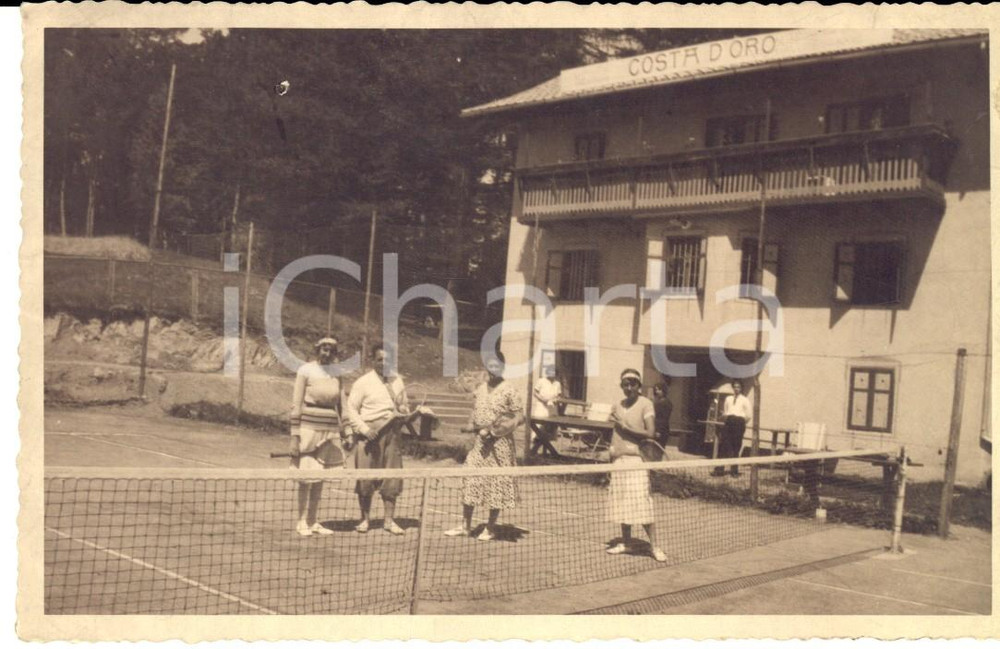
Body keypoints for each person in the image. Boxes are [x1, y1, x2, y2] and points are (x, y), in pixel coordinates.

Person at [444, 352, 523, 541]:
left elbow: (519, 416)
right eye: (491, 366)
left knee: (496, 482)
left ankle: (490, 527)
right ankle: (465, 526)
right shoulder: (480, 389)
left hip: (500, 445)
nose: (493, 370)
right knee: (471, 478)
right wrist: (471, 425)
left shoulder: (510, 390)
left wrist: (497, 430)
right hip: (479, 444)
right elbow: (475, 410)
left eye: (497, 366)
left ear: (503, 367)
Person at [343, 344, 409, 535]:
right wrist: (364, 430)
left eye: (388, 359)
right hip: (369, 436)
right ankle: (365, 520)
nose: (384, 363)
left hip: (393, 435)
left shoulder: (398, 381)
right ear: (373, 360)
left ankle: (389, 521)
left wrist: (404, 411)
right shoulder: (362, 382)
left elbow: (404, 406)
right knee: (366, 479)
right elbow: (351, 409)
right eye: (380, 359)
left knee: (392, 478)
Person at [605, 368, 667, 562]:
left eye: (633, 384)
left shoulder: (646, 404)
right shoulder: (617, 405)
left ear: (639, 386)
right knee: (622, 502)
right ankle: (626, 543)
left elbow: (651, 433)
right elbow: (614, 433)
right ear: (622, 386)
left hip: (636, 460)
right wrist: (611, 456)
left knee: (641, 503)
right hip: (618, 460)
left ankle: (654, 547)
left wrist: (625, 426)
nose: (629, 387)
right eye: (626, 384)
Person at [288, 337, 345, 537]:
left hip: (330, 429)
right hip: (308, 428)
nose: (327, 354)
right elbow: (296, 404)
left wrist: (346, 432)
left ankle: (313, 521)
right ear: (318, 350)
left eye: (331, 351)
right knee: (306, 477)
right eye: (324, 349)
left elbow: (342, 406)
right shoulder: (305, 370)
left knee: (320, 477)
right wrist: (294, 436)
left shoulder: (337, 374)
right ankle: (301, 521)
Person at [713, 379, 752, 477]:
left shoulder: (745, 400)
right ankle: (719, 470)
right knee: (723, 445)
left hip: (739, 423)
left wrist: (740, 423)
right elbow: (726, 412)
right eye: (734, 387)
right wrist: (728, 419)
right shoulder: (728, 399)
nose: (736, 389)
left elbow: (748, 415)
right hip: (729, 422)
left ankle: (734, 471)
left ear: (741, 388)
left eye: (738, 387)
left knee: (736, 447)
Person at [530, 365, 562, 456]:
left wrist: (556, 400)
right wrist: (543, 399)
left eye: (553, 372)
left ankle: (546, 450)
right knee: (540, 427)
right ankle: (534, 450)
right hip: (542, 407)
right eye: (550, 371)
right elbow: (535, 392)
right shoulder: (541, 381)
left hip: (552, 408)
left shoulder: (557, 383)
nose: (551, 373)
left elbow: (559, 395)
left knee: (550, 428)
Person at [651, 380, 673, 449]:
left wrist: (659, 431)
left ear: (664, 390)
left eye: (659, 390)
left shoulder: (665, 403)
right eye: (656, 390)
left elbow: (664, 418)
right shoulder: (658, 401)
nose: (657, 392)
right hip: (656, 428)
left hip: (661, 430)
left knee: (658, 449)